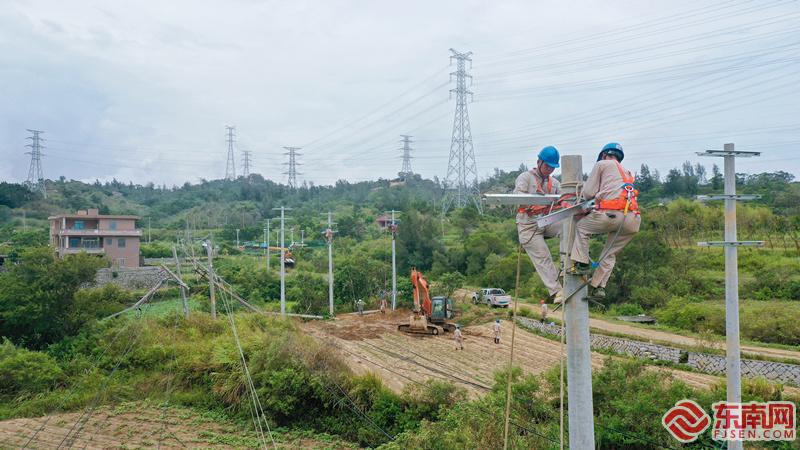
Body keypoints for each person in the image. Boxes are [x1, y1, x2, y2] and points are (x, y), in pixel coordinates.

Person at [570, 142, 641, 299]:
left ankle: (581, 263)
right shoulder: (628, 172)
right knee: (610, 253)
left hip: (612, 214)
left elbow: (588, 193)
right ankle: (599, 287)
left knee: (582, 227)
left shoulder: (602, 164)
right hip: (633, 220)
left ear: (603, 155)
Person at [515, 146, 566, 304]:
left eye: (552, 167)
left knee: (569, 225)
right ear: (539, 162)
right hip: (528, 226)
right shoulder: (525, 178)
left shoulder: (555, 183)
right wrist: (533, 202)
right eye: (547, 166)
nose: (549, 169)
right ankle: (557, 291)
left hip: (546, 222)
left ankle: (567, 268)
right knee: (543, 257)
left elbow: (565, 197)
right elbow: (517, 196)